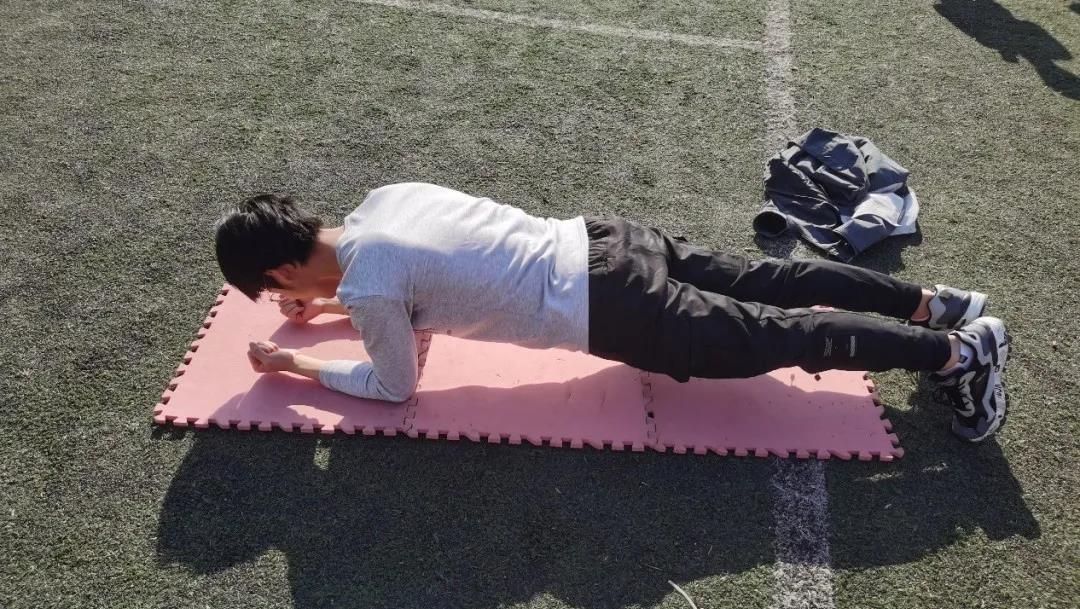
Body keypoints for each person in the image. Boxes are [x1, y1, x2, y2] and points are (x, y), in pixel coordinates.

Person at [214, 183, 1009, 442]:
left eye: (277, 288)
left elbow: (394, 386)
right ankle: (934, 303)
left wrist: (297, 362)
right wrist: (331, 302)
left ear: (280, 269)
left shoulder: (368, 287)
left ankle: (960, 353)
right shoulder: (382, 201)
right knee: (774, 279)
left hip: (616, 307)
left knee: (786, 335)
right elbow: (425, 277)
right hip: (606, 239)